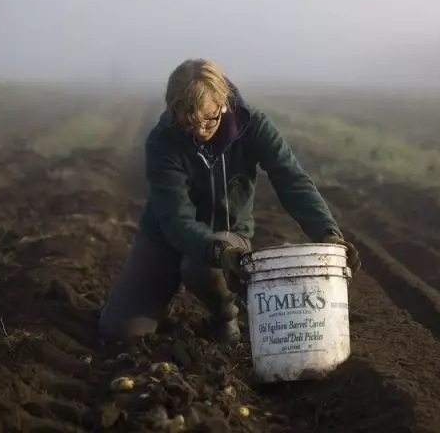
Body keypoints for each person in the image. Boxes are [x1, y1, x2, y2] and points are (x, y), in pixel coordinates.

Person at [99, 58, 361, 345]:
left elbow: (292, 180)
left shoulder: (254, 126)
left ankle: (224, 315)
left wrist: (328, 232)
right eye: (189, 122)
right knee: (120, 333)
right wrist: (217, 251)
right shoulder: (163, 141)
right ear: (173, 109)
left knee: (200, 267)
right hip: (166, 239)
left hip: (228, 238)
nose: (200, 131)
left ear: (223, 101)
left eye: (209, 118)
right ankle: (162, 300)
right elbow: (176, 220)